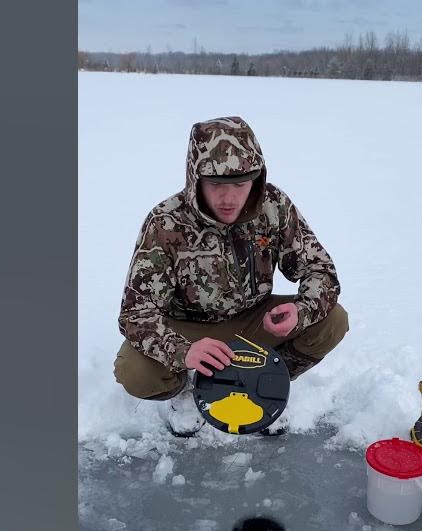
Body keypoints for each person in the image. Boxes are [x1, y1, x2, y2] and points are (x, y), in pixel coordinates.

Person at [114, 116, 349, 436]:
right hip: (188, 329)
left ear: (256, 179)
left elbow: (320, 270)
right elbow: (134, 313)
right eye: (216, 185)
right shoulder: (165, 222)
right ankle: (186, 391)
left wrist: (299, 311)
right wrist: (183, 351)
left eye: (240, 184)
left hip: (254, 320)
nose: (229, 198)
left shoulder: (274, 206)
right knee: (134, 371)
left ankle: (267, 382)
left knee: (332, 320)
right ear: (196, 179)